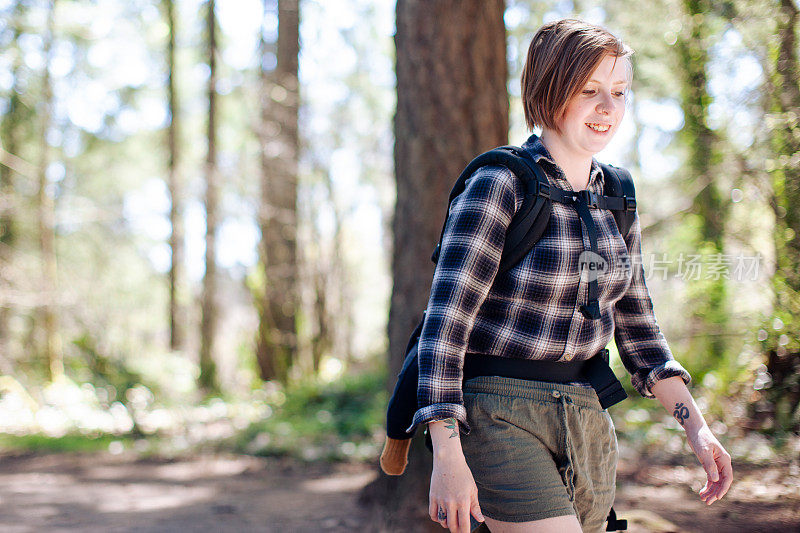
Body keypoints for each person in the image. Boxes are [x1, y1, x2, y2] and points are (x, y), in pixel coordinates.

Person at [404, 18, 734, 533]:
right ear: (550, 90)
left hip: (587, 418)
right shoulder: (499, 183)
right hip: (497, 412)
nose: (608, 108)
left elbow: (642, 333)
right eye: (590, 91)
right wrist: (447, 456)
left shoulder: (617, 198)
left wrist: (698, 431)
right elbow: (446, 328)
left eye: (619, 92)